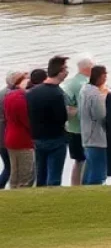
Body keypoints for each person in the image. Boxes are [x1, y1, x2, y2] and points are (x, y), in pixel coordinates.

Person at [26, 55, 69, 187]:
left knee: (41, 173)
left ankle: (40, 196)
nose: (67, 72)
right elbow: (62, 118)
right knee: (54, 176)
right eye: (65, 69)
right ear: (60, 71)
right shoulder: (57, 94)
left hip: (37, 137)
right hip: (55, 137)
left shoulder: (32, 92)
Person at [61, 56, 92, 186]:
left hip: (70, 128)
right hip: (82, 129)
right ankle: (83, 184)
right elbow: (86, 109)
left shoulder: (69, 83)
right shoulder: (84, 84)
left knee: (78, 160)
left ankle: (75, 184)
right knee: (85, 159)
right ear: (88, 68)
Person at [79, 65, 109, 186]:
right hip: (97, 138)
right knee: (98, 171)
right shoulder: (96, 95)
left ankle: (84, 189)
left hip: (86, 135)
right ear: (102, 77)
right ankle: (95, 191)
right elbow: (101, 116)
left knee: (89, 167)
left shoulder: (84, 89)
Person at [3, 72, 33, 188]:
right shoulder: (20, 98)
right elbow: (26, 121)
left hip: (10, 135)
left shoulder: (9, 96)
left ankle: (13, 190)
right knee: (25, 172)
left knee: (15, 171)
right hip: (22, 138)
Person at [0, 70, 25, 190]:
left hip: (4, 137)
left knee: (9, 166)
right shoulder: (11, 95)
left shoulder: (3, 93)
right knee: (12, 167)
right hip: (8, 136)